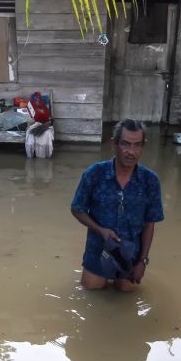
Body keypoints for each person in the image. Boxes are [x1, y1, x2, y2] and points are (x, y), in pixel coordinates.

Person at [70, 119, 164, 292]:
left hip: (131, 255)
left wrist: (143, 261)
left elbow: (150, 223)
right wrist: (101, 230)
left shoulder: (150, 181)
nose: (131, 152)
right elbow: (77, 208)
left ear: (143, 146)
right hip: (98, 251)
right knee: (92, 289)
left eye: (137, 145)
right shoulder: (94, 174)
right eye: (125, 144)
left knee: (126, 292)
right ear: (114, 144)